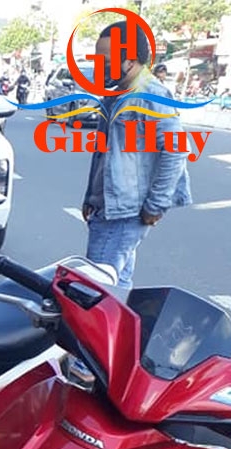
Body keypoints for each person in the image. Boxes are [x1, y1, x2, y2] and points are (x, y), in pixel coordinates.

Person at [81, 21, 192, 290]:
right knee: (117, 286)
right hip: (108, 207)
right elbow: (104, 156)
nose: (100, 66)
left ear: (130, 60)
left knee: (97, 290)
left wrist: (156, 205)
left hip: (125, 213)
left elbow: (176, 150)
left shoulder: (151, 95)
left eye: (106, 61)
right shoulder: (117, 94)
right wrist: (91, 197)